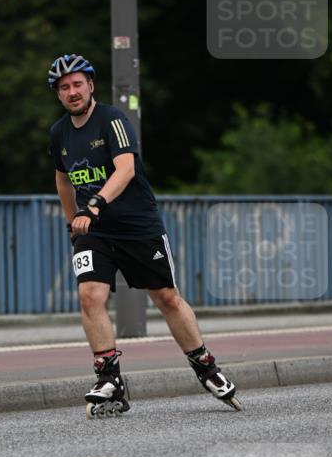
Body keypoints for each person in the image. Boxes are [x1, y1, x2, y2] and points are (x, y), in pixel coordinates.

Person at [47, 53, 241, 417]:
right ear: (58, 95)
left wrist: (96, 204)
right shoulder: (58, 132)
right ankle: (109, 378)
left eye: (77, 84)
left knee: (166, 298)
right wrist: (73, 220)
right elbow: (62, 179)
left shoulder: (112, 119)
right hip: (95, 231)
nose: (72, 92)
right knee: (90, 295)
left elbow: (126, 168)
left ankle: (206, 366)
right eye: (64, 88)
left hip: (137, 226)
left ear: (90, 85)